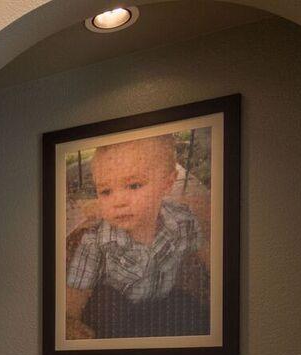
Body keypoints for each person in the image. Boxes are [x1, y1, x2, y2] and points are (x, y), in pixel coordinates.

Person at [65, 134, 210, 340]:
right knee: (106, 303)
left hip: (161, 301)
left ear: (167, 183)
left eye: (133, 185)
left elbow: (204, 248)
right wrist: (69, 320)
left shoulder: (182, 221)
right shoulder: (95, 242)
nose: (118, 201)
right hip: (116, 310)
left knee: (187, 306)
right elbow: (75, 291)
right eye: (106, 191)